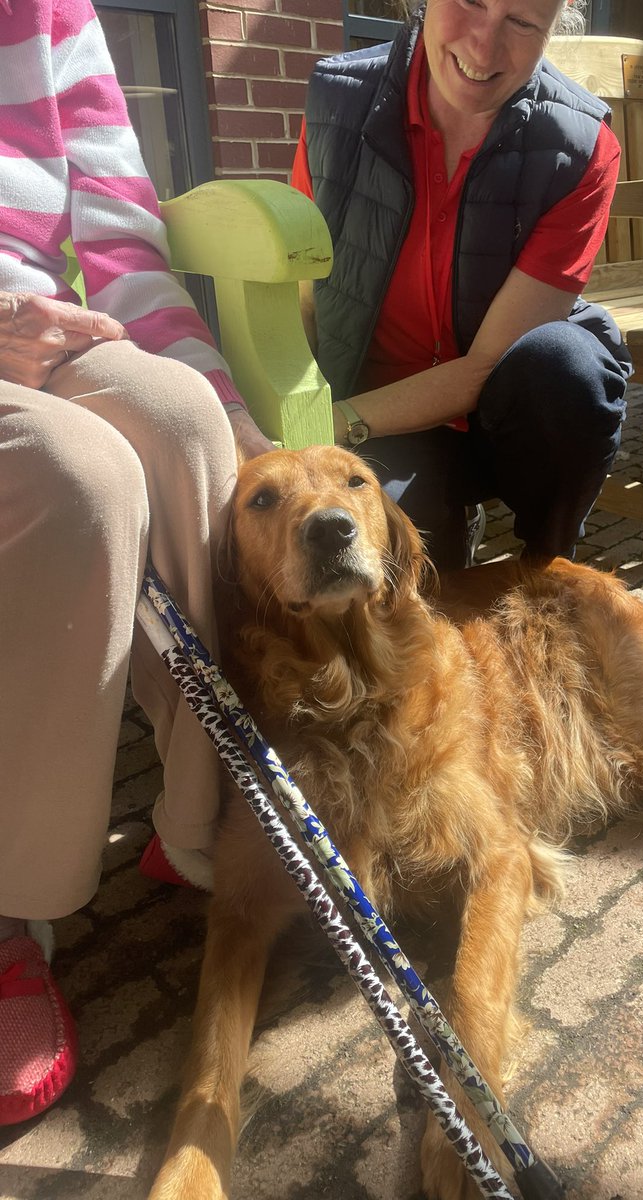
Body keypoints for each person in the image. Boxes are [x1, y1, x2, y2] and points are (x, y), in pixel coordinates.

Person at [0, 0, 272, 1126]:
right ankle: (15, 910)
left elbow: (118, 238)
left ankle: (205, 830)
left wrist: (247, 431)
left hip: (39, 331)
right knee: (82, 478)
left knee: (183, 422)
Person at [291, 0, 632, 570]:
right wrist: (307, 430)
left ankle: (545, 567)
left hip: (498, 418)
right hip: (380, 410)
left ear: (553, 30)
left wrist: (338, 419)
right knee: (400, 585)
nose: (482, 47)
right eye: (470, 1)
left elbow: (486, 365)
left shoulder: (582, 148)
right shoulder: (338, 100)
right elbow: (303, 296)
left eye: (522, 23)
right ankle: (447, 521)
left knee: (567, 365)